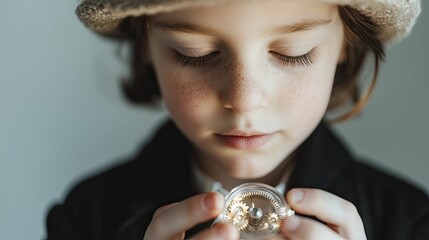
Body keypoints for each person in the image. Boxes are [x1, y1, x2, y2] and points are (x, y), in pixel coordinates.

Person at [46, 0, 428, 239]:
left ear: (345, 45)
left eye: (293, 54)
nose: (245, 102)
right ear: (146, 47)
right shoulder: (85, 219)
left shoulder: (411, 222)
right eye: (194, 54)